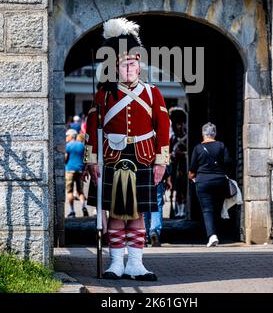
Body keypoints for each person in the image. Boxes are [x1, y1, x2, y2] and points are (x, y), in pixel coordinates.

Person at [84, 17, 170, 280]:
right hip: (113, 156)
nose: (130, 68)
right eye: (124, 64)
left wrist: (161, 161)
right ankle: (116, 264)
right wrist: (92, 160)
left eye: (133, 64)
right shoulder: (105, 95)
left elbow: (163, 127)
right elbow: (93, 128)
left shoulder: (153, 93)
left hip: (143, 156)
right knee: (116, 215)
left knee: (137, 214)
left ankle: (135, 264)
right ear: (116, 67)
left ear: (139, 65)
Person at [188, 122, 232, 247]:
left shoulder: (198, 148)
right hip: (219, 181)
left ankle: (212, 235)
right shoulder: (221, 145)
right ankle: (219, 234)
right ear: (215, 133)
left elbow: (192, 168)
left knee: (207, 210)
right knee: (218, 209)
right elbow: (228, 162)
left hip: (203, 182)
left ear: (203, 134)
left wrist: (191, 176)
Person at [143, 168, 172, 247]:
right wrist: (168, 179)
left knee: (142, 207)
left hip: (141, 177)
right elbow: (162, 160)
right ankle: (154, 231)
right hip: (157, 177)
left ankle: (143, 235)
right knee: (157, 207)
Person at [65, 128, 89, 218]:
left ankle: (72, 211)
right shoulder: (82, 146)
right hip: (80, 170)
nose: (66, 137)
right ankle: (83, 206)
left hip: (69, 170)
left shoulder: (68, 146)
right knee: (80, 191)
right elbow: (86, 159)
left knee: (69, 191)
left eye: (67, 135)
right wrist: (85, 169)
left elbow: (65, 158)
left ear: (71, 136)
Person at [169, 107, 188, 218]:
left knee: (183, 188)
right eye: (178, 124)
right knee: (176, 188)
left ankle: (183, 210)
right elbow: (170, 151)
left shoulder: (186, 137)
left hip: (184, 165)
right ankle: (177, 209)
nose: (180, 126)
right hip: (176, 165)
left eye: (181, 124)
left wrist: (183, 153)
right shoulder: (173, 138)